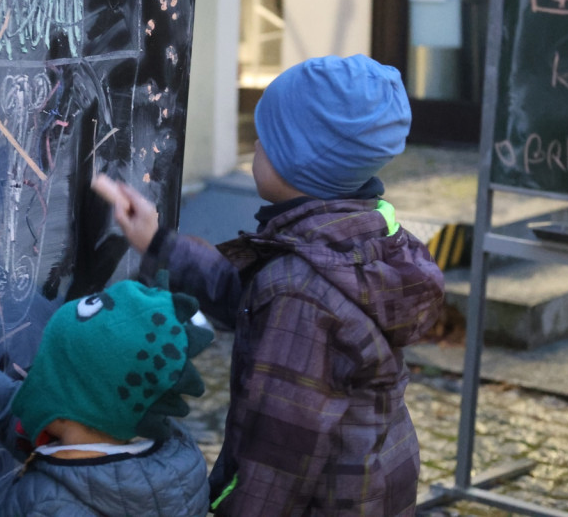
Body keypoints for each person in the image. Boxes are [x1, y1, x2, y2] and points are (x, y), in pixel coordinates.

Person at [93, 54, 445, 515]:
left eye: (267, 139)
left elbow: (274, 462)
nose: (256, 142)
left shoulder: (300, 292)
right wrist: (159, 243)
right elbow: (250, 294)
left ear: (300, 164)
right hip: (370, 487)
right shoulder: (353, 239)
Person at [0, 278, 214, 516]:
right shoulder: (175, 454)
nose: (29, 377)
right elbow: (21, 418)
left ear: (69, 407)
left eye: (42, 371)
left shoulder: (48, 502)